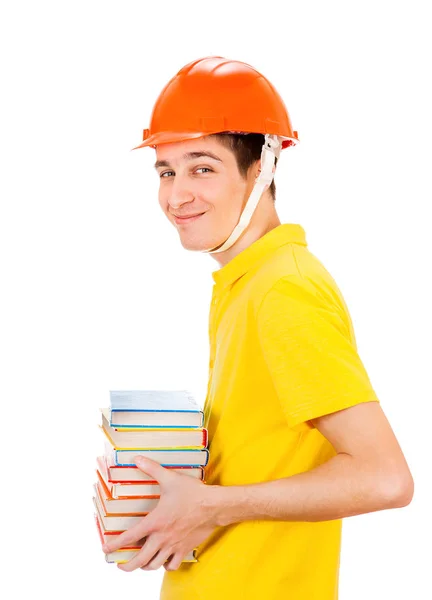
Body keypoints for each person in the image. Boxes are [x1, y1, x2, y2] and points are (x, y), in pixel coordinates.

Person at [102, 56, 414, 600]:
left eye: (202, 167)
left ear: (262, 169)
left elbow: (384, 477)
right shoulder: (245, 282)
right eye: (166, 171)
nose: (177, 196)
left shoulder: (283, 289)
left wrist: (211, 506)